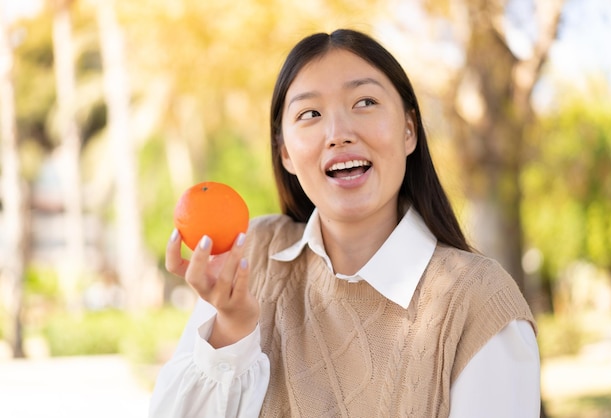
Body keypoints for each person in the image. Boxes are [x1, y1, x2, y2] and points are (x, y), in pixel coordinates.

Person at [149, 29, 540, 418]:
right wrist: (230, 330)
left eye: (365, 102)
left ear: (409, 130)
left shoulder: (478, 303)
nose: (338, 134)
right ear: (285, 152)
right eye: (310, 114)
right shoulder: (250, 257)